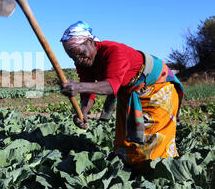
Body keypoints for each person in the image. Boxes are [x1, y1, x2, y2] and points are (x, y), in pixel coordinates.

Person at [59, 21, 184, 170]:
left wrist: (77, 87)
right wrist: (83, 112)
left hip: (157, 87)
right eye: (73, 57)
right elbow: (87, 91)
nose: (78, 60)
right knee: (124, 139)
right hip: (128, 89)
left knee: (155, 139)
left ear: (90, 42)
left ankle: (160, 175)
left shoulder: (113, 51)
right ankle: (132, 172)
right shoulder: (83, 62)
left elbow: (111, 86)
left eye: (80, 53)